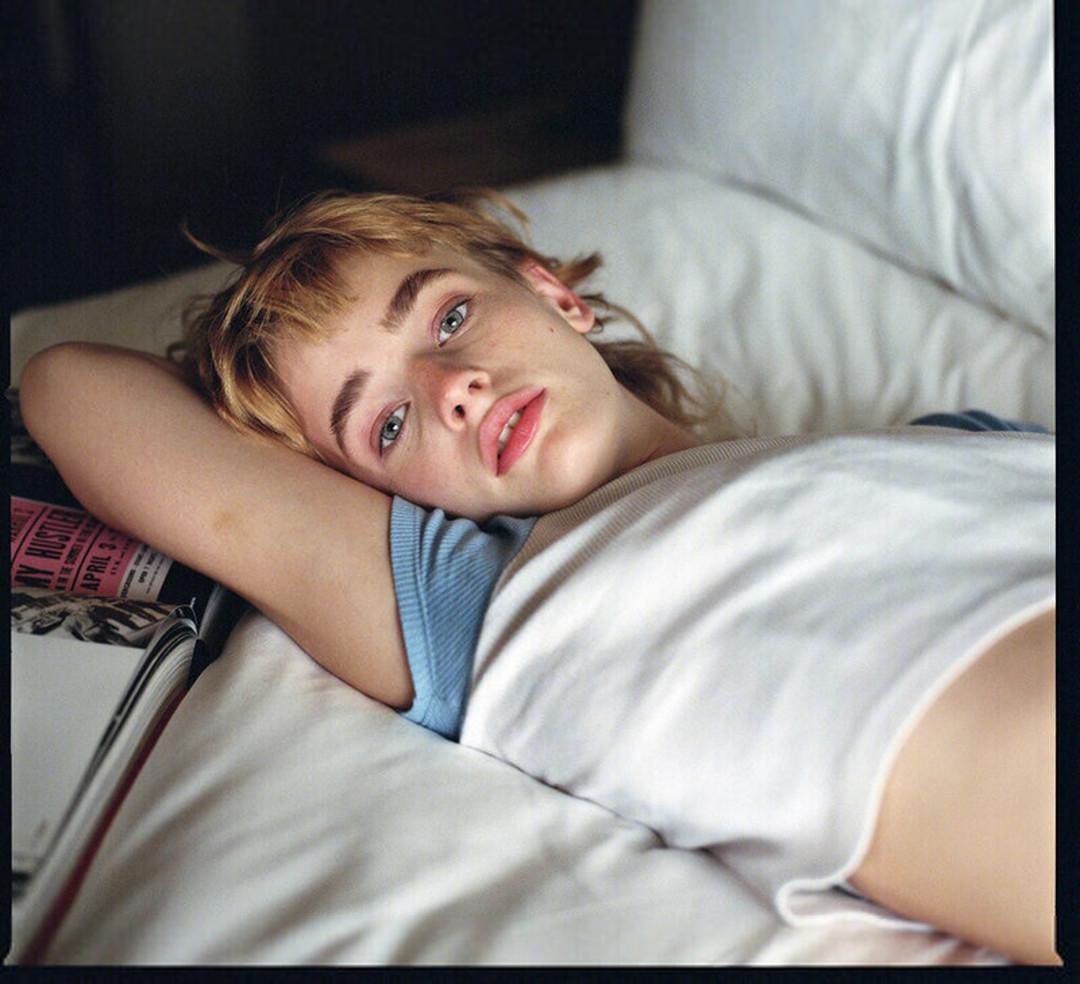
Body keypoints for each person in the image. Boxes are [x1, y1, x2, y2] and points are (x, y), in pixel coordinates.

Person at [19, 190, 1056, 964]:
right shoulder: (493, 599)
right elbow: (70, 386)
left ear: (553, 291)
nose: (453, 388)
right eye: (387, 424)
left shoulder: (953, 438)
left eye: (448, 320)